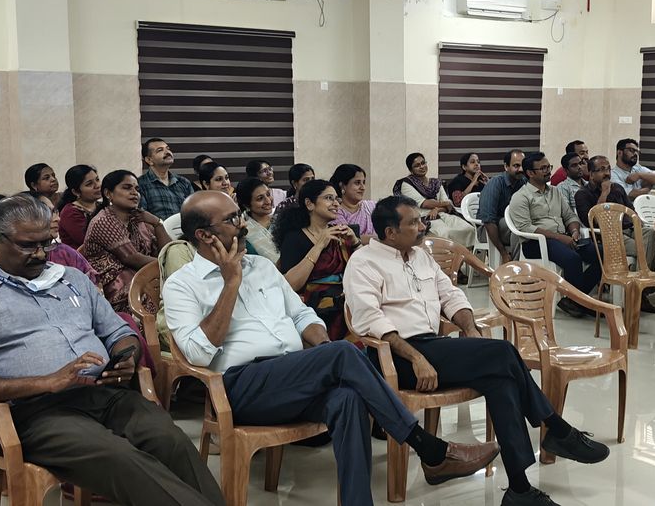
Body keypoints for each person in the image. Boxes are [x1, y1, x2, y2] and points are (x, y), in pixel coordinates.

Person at [163, 191, 500, 506]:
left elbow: (301, 315)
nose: (242, 224)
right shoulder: (182, 284)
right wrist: (231, 282)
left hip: (293, 374)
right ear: (204, 235)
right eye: (232, 219)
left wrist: (322, 354)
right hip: (241, 388)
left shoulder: (261, 267)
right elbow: (197, 353)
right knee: (343, 352)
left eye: (239, 214)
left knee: (347, 398)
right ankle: (430, 449)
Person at [0, 195, 223, 505]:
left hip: (105, 395)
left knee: (171, 441)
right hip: (37, 412)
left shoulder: (71, 279)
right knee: (121, 459)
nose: (41, 254)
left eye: (46, 243)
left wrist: (126, 356)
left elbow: (120, 332)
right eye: (27, 245)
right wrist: (45, 382)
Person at [346, 195, 610, 506]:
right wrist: (416, 357)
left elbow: (451, 295)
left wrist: (470, 330)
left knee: (502, 380)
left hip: (433, 347)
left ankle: (520, 489)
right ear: (390, 232)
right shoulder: (363, 262)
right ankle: (556, 428)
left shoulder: (420, 256)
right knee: (502, 353)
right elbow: (369, 320)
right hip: (397, 357)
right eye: (414, 223)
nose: (422, 226)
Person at [508, 152, 602, 318]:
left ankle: (574, 300)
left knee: (602, 253)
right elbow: (526, 228)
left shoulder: (555, 192)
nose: (548, 171)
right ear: (530, 173)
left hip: (564, 238)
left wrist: (574, 231)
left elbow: (569, 216)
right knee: (572, 259)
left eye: (548, 167)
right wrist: (560, 237)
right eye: (543, 168)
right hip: (536, 243)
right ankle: (580, 301)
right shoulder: (521, 197)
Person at [272, 180, 360, 343]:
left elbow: (363, 271)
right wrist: (319, 245)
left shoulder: (340, 233)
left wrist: (355, 242)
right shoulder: (294, 238)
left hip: (347, 299)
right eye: (328, 198)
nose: (336, 204)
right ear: (309, 204)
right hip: (315, 308)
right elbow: (291, 285)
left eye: (336, 199)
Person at [574, 155, 655, 313]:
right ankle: (639, 292)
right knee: (645, 248)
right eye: (601, 170)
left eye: (608, 169)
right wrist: (604, 193)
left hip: (629, 229)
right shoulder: (582, 194)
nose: (607, 173)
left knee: (651, 234)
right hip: (609, 234)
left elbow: (631, 212)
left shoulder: (618, 188)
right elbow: (593, 221)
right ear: (591, 174)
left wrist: (638, 222)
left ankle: (638, 288)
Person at [81, 170, 172, 313]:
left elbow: (168, 251)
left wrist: (157, 224)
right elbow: (132, 258)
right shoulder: (103, 221)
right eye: (127, 187)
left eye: (137, 189)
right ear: (108, 193)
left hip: (143, 278)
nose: (134, 193)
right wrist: (171, 265)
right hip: (113, 290)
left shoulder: (139, 218)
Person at [394, 153, 477, 249]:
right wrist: (445, 204)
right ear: (411, 170)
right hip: (425, 218)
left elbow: (448, 206)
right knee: (446, 233)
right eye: (417, 165)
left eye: (423, 163)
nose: (422, 167)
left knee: (469, 229)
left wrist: (437, 209)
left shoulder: (436, 182)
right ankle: (447, 257)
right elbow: (424, 203)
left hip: (442, 214)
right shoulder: (407, 184)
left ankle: (465, 256)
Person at [476, 149, 527, 263]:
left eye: (523, 165)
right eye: (516, 166)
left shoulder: (523, 182)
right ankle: (513, 267)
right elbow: (488, 221)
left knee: (525, 226)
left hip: (510, 226)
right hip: (487, 230)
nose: (521, 169)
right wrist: (503, 253)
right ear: (506, 166)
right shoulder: (495, 183)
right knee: (517, 228)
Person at [137, 138, 195, 219]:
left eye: (168, 148)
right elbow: (142, 217)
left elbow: (194, 211)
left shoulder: (183, 182)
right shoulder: (140, 184)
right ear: (149, 160)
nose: (167, 152)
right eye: (160, 150)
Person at [234, 177, 280, 263]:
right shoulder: (242, 229)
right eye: (260, 198)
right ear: (246, 205)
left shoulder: (282, 220)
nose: (268, 201)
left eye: (268, 194)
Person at [331, 163, 377, 245]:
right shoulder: (335, 211)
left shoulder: (371, 206)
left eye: (363, 182)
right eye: (357, 183)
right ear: (343, 186)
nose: (363, 188)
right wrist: (380, 239)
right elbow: (346, 238)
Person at [57, 164, 101, 249]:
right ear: (76, 192)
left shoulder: (101, 205)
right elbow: (90, 241)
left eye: (97, 179)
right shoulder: (70, 212)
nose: (97, 185)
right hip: (80, 256)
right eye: (89, 184)